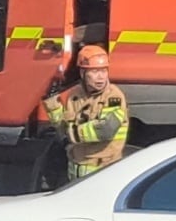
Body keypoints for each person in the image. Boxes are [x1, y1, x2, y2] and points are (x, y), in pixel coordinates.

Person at [42, 44, 128, 182]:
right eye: (94, 72)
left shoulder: (113, 97)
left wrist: (72, 134)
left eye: (104, 71)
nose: (100, 77)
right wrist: (52, 104)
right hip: (75, 175)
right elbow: (62, 126)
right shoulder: (75, 94)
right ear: (82, 73)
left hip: (102, 173)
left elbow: (106, 130)